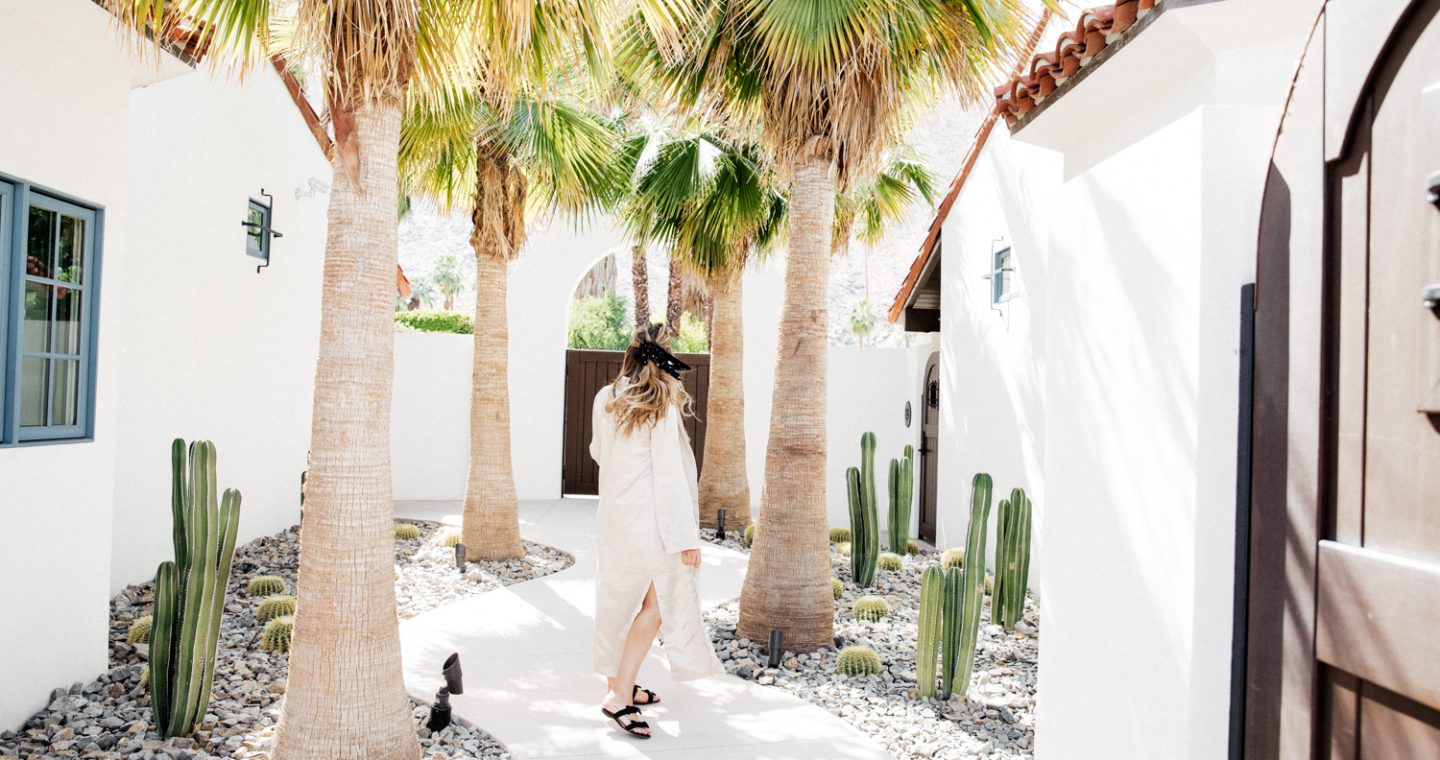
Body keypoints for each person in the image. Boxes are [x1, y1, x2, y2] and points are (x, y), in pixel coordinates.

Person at [589, 324, 724, 739]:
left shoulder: (604, 398)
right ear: (666, 358)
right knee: (657, 606)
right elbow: (669, 477)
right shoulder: (661, 405)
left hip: (615, 517)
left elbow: (598, 452)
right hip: (654, 524)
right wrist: (685, 538)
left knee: (620, 602)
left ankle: (619, 683)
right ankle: (618, 699)